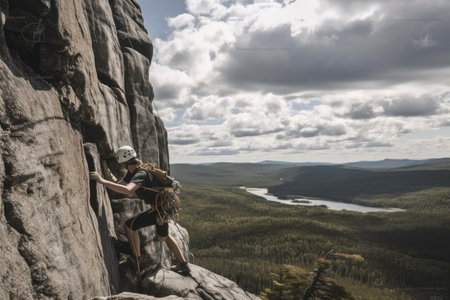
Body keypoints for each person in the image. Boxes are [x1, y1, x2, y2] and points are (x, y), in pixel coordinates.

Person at [89, 145, 190, 276]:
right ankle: (183, 265)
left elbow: (127, 190)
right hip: (163, 208)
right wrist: (108, 174)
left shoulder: (140, 173)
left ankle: (137, 261)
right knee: (164, 236)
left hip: (160, 210)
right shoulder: (133, 173)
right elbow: (121, 185)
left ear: (123, 162)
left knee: (129, 226)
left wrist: (101, 181)